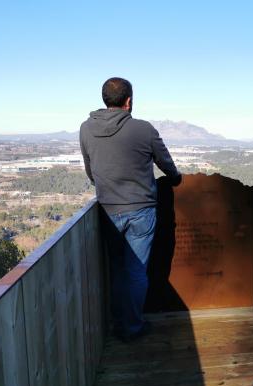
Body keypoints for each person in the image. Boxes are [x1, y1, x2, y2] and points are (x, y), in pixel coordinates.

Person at [80, 77, 181, 342]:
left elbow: (91, 172)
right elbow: (166, 164)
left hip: (108, 209)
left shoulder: (86, 129)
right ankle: (133, 327)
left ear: (105, 99)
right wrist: (175, 178)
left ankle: (119, 323)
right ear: (129, 101)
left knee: (117, 270)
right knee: (137, 271)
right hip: (141, 210)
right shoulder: (143, 129)